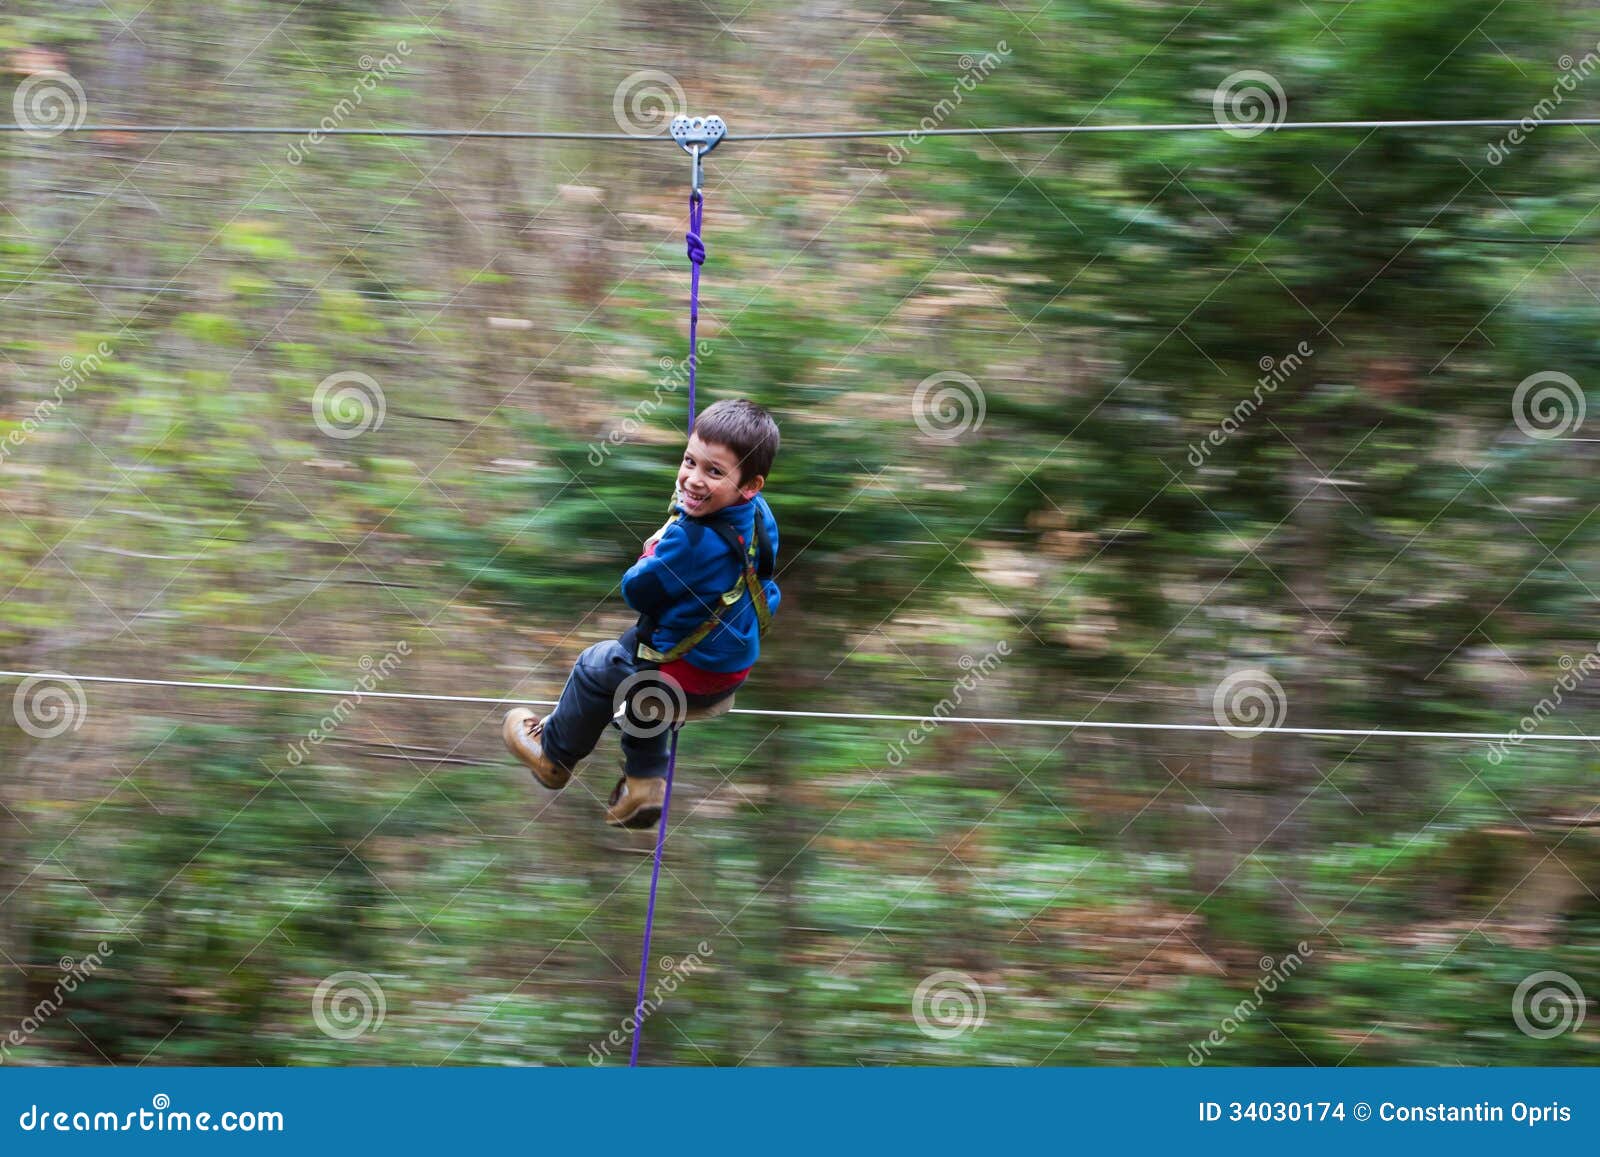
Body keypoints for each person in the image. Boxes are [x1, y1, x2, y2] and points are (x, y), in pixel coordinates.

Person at [503, 398, 781, 829]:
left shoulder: (688, 542)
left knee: (599, 665)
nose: (692, 478)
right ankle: (642, 783)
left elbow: (637, 590)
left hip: (688, 674)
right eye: (690, 461)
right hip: (731, 666)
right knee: (642, 683)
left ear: (750, 484)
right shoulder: (760, 516)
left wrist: (655, 546)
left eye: (714, 471)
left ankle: (553, 756)